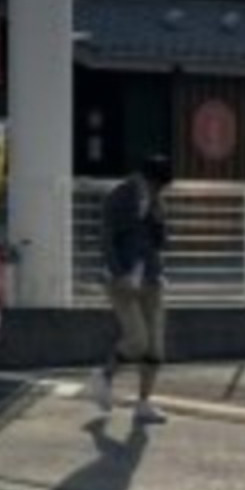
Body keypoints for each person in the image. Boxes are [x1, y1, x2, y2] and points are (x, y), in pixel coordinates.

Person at [83, 152, 173, 423]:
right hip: (121, 279)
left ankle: (143, 403)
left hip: (151, 277)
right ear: (145, 178)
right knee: (137, 340)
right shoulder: (120, 196)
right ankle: (104, 375)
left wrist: (159, 221)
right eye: (156, 185)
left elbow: (160, 242)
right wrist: (118, 272)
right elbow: (107, 238)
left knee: (155, 348)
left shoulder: (157, 200)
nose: (158, 191)